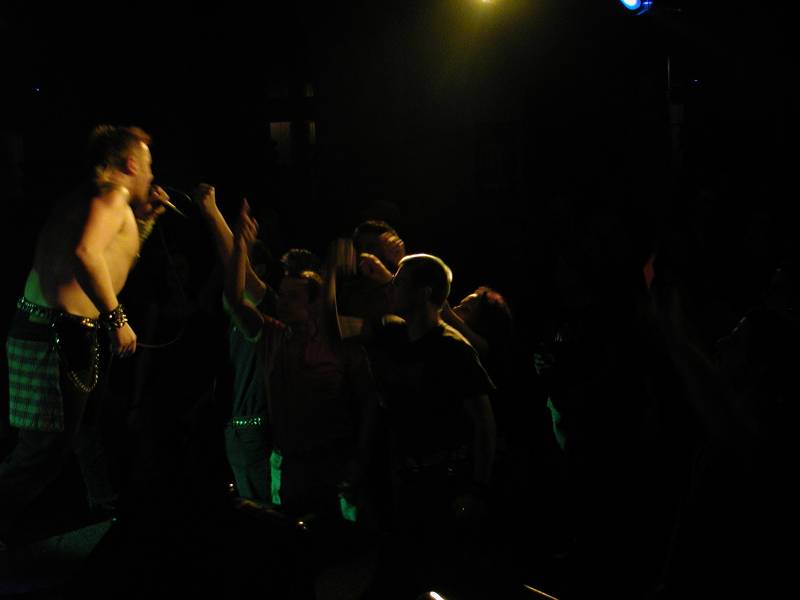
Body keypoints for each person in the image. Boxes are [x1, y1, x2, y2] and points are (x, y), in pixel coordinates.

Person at [1, 125, 168, 548]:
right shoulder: (111, 196)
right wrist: (118, 319)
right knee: (43, 452)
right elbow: (86, 254)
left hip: (56, 331)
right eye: (148, 165)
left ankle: (103, 507)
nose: (152, 175)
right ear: (131, 164)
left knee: (79, 436)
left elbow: (111, 259)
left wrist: (146, 221)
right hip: (53, 333)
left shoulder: (98, 198)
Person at [362, 254, 497, 599]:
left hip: (442, 486)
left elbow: (484, 423)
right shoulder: (396, 339)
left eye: (399, 283)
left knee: (438, 578)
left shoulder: (453, 348)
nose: (391, 288)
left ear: (423, 292)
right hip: (405, 482)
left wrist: (478, 488)